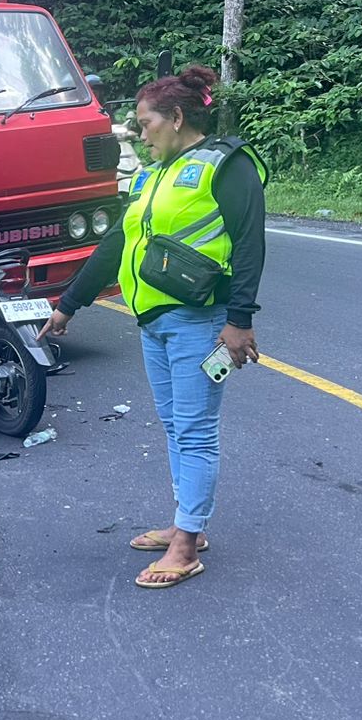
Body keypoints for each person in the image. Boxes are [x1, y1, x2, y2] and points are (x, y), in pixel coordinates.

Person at [45, 64, 267, 589]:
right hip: (155, 322)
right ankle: (185, 522)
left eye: (146, 124)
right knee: (175, 427)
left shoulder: (225, 165)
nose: (140, 136)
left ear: (176, 116)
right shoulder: (151, 176)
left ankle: (186, 546)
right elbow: (117, 244)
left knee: (195, 430)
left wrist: (239, 322)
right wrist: (69, 304)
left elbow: (249, 244)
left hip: (201, 322)